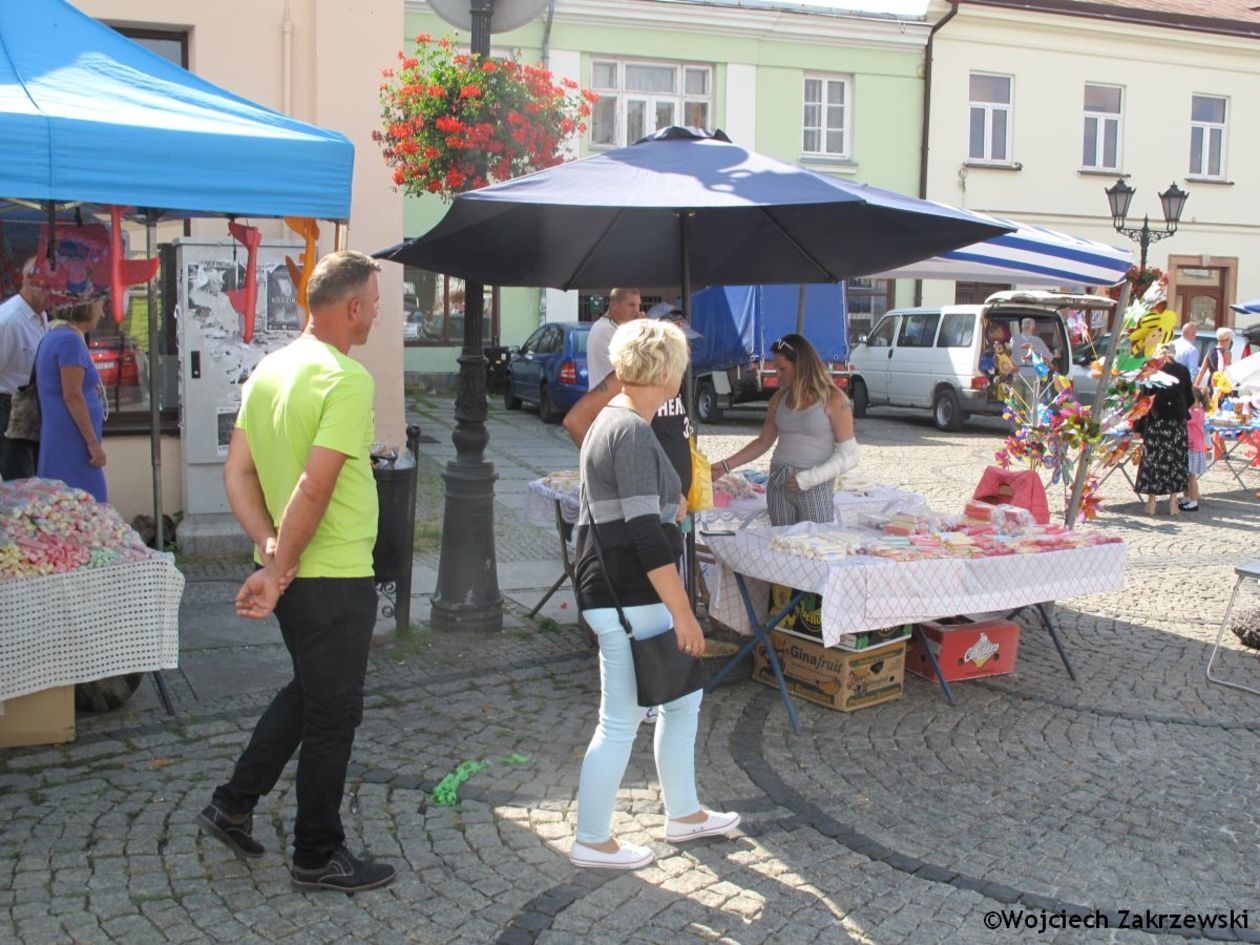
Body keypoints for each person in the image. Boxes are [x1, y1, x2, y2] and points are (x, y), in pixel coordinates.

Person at [199, 251, 396, 894]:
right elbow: (315, 485)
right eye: (375, 299)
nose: (379, 311)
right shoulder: (345, 378)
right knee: (334, 715)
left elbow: (238, 473)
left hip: (297, 573)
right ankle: (317, 854)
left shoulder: (269, 369)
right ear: (353, 307)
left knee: (310, 694)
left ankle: (233, 803)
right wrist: (278, 565)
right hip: (332, 576)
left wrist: (268, 554)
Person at [570, 318, 739, 871]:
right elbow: (642, 534)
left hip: (619, 587)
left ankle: (684, 813)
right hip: (628, 592)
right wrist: (684, 613)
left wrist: (675, 506)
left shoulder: (614, 421)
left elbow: (635, 511)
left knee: (682, 699)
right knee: (619, 719)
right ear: (667, 373)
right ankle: (592, 838)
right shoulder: (632, 430)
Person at [709, 334, 858, 525]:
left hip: (813, 484)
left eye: (782, 368)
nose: (777, 374)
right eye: (775, 368)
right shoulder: (779, 399)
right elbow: (764, 441)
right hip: (779, 481)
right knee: (781, 543)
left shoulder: (834, 399)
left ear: (801, 366)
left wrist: (809, 479)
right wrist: (725, 466)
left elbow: (850, 454)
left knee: (813, 546)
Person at [565, 288, 693, 497]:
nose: (687, 349)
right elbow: (575, 421)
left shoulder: (673, 380)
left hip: (673, 501)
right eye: (679, 344)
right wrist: (612, 475)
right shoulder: (629, 378)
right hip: (646, 501)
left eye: (686, 342)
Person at [35, 297, 108, 501]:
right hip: (73, 438)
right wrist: (93, 444)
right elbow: (72, 395)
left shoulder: (56, 336)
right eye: (100, 306)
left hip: (61, 434)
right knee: (88, 501)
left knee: (64, 502)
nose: (102, 314)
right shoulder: (70, 341)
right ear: (87, 307)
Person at [0, 262, 51, 479]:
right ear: (31, 283)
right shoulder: (8, 320)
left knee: (35, 482)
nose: (56, 294)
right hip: (9, 410)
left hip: (33, 409)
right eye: (50, 287)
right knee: (21, 483)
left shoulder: (41, 315)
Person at [1134, 344, 1194, 516]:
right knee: (1175, 461)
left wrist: (1137, 426)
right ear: (1173, 354)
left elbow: (1143, 400)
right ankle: (1173, 502)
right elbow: (1189, 397)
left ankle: (1151, 502)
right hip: (1176, 422)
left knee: (1154, 461)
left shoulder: (1151, 370)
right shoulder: (1182, 370)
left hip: (1157, 420)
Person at [1179, 386, 1208, 513]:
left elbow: (1183, 419)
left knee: (1191, 476)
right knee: (1187, 475)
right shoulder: (1199, 411)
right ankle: (1187, 497)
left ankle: (1194, 500)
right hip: (1191, 447)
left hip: (1194, 448)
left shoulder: (1195, 412)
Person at [1195, 326, 1233, 398]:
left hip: (1211, 382)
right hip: (1222, 384)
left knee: (1210, 405)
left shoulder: (1210, 352)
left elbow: (1201, 372)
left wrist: (1196, 386)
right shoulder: (1227, 353)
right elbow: (1227, 371)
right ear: (1227, 340)